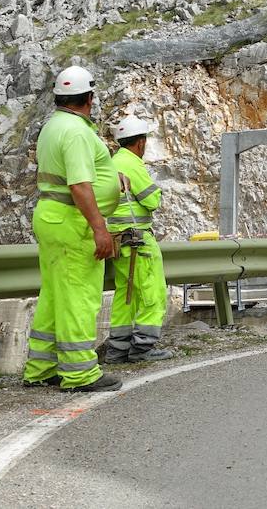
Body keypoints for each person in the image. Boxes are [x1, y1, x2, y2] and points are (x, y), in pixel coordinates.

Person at [22, 66, 124, 393]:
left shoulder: (53, 126)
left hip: (50, 215)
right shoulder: (78, 132)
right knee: (79, 296)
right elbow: (80, 186)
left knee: (54, 294)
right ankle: (80, 373)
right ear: (90, 98)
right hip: (71, 220)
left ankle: (42, 367)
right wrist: (100, 229)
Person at [106, 115, 172, 363]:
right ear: (141, 142)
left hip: (118, 241)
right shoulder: (133, 164)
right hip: (138, 241)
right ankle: (143, 348)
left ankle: (117, 349)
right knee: (152, 294)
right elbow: (152, 201)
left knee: (126, 296)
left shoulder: (112, 162)